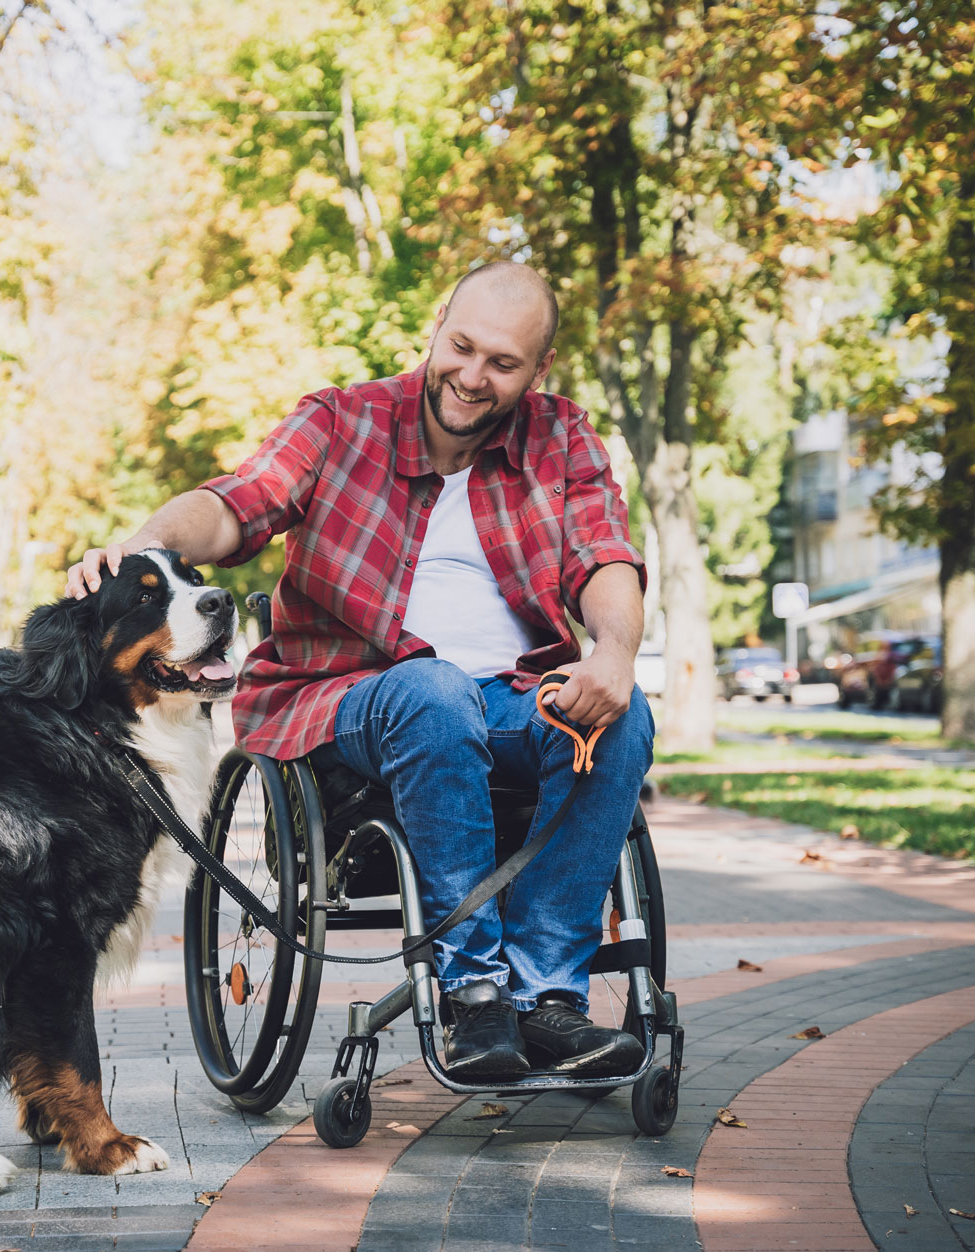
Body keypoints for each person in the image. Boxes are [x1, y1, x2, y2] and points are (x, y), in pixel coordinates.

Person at [65, 261, 653, 1082]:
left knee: (622, 716)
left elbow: (605, 555)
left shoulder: (562, 438)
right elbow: (237, 503)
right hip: (346, 698)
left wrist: (615, 653)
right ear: (438, 323)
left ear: (539, 370)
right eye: (463, 346)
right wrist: (143, 547)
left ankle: (547, 996)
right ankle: (475, 992)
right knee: (433, 690)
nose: (473, 377)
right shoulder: (343, 421)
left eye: (504, 364)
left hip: (514, 698)